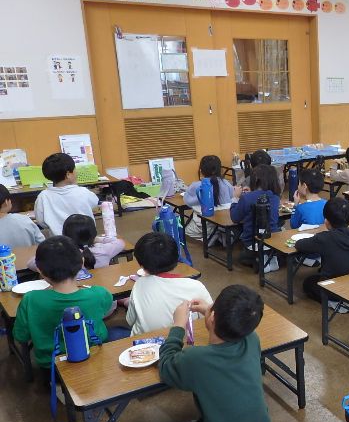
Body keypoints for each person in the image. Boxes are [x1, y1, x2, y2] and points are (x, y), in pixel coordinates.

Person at [147, 285, 270, 422]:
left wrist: (178, 326)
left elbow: (166, 367)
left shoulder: (197, 358)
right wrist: (210, 311)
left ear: (212, 317)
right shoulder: (252, 339)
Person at [13, 236, 122, 373]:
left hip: (51, 366)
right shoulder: (98, 293)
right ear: (82, 263)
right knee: (118, 331)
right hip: (95, 358)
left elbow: (21, 336)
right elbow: (106, 308)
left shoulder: (30, 299)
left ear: (39, 270)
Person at [126, 232, 213, 336]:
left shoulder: (139, 284)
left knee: (117, 332)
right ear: (176, 258)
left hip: (147, 344)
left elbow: (130, 321)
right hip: (186, 341)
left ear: (142, 266)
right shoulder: (197, 286)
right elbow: (210, 318)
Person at [295, 197, 349, 303]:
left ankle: (334, 303)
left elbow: (299, 245)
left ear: (326, 221)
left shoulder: (323, 238)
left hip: (333, 290)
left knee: (308, 282)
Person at [33, 152, 99, 235]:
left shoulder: (43, 196)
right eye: (75, 169)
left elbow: (41, 221)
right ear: (68, 174)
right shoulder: (83, 192)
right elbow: (95, 202)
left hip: (58, 240)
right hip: (85, 238)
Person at [231, 164, 282, 270]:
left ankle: (260, 259)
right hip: (272, 240)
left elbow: (235, 218)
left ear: (256, 179)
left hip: (253, 242)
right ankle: (269, 257)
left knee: (239, 257)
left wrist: (235, 198)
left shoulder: (247, 198)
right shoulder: (275, 197)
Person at [184, 155, 235, 241]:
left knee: (185, 231)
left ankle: (210, 238)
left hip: (203, 228)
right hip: (223, 225)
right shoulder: (227, 184)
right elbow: (230, 197)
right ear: (220, 169)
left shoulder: (196, 186)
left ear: (201, 171)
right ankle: (217, 236)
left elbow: (187, 202)